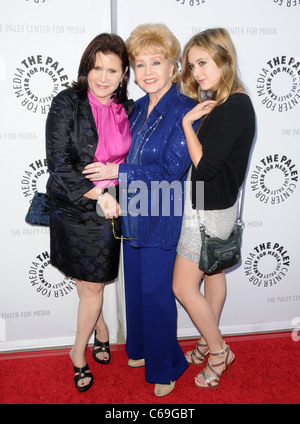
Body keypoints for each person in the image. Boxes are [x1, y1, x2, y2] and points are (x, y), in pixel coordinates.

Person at [82, 23, 198, 397]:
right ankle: (142, 349)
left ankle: (166, 366)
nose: (148, 72)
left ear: (172, 66)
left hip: (162, 213)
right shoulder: (136, 107)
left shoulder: (184, 108)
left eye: (157, 62)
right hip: (131, 210)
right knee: (134, 288)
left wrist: (118, 171)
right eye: (141, 64)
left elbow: (171, 170)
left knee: (155, 294)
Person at [46, 33, 133, 392]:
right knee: (89, 285)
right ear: (86, 67)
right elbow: (58, 164)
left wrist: (116, 177)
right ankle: (78, 353)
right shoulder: (68, 102)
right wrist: (99, 194)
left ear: (124, 73)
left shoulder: (127, 109)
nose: (103, 77)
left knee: (92, 284)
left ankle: (99, 328)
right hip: (75, 206)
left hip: (109, 210)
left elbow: (138, 158)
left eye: (112, 70)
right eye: (97, 67)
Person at [172, 28, 255, 389]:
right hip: (218, 205)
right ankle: (208, 340)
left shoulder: (233, 108)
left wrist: (188, 123)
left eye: (203, 63)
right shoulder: (227, 102)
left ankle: (220, 352)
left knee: (183, 287)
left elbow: (204, 170)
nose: (197, 73)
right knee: (214, 275)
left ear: (225, 58)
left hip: (208, 209)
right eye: (192, 66)